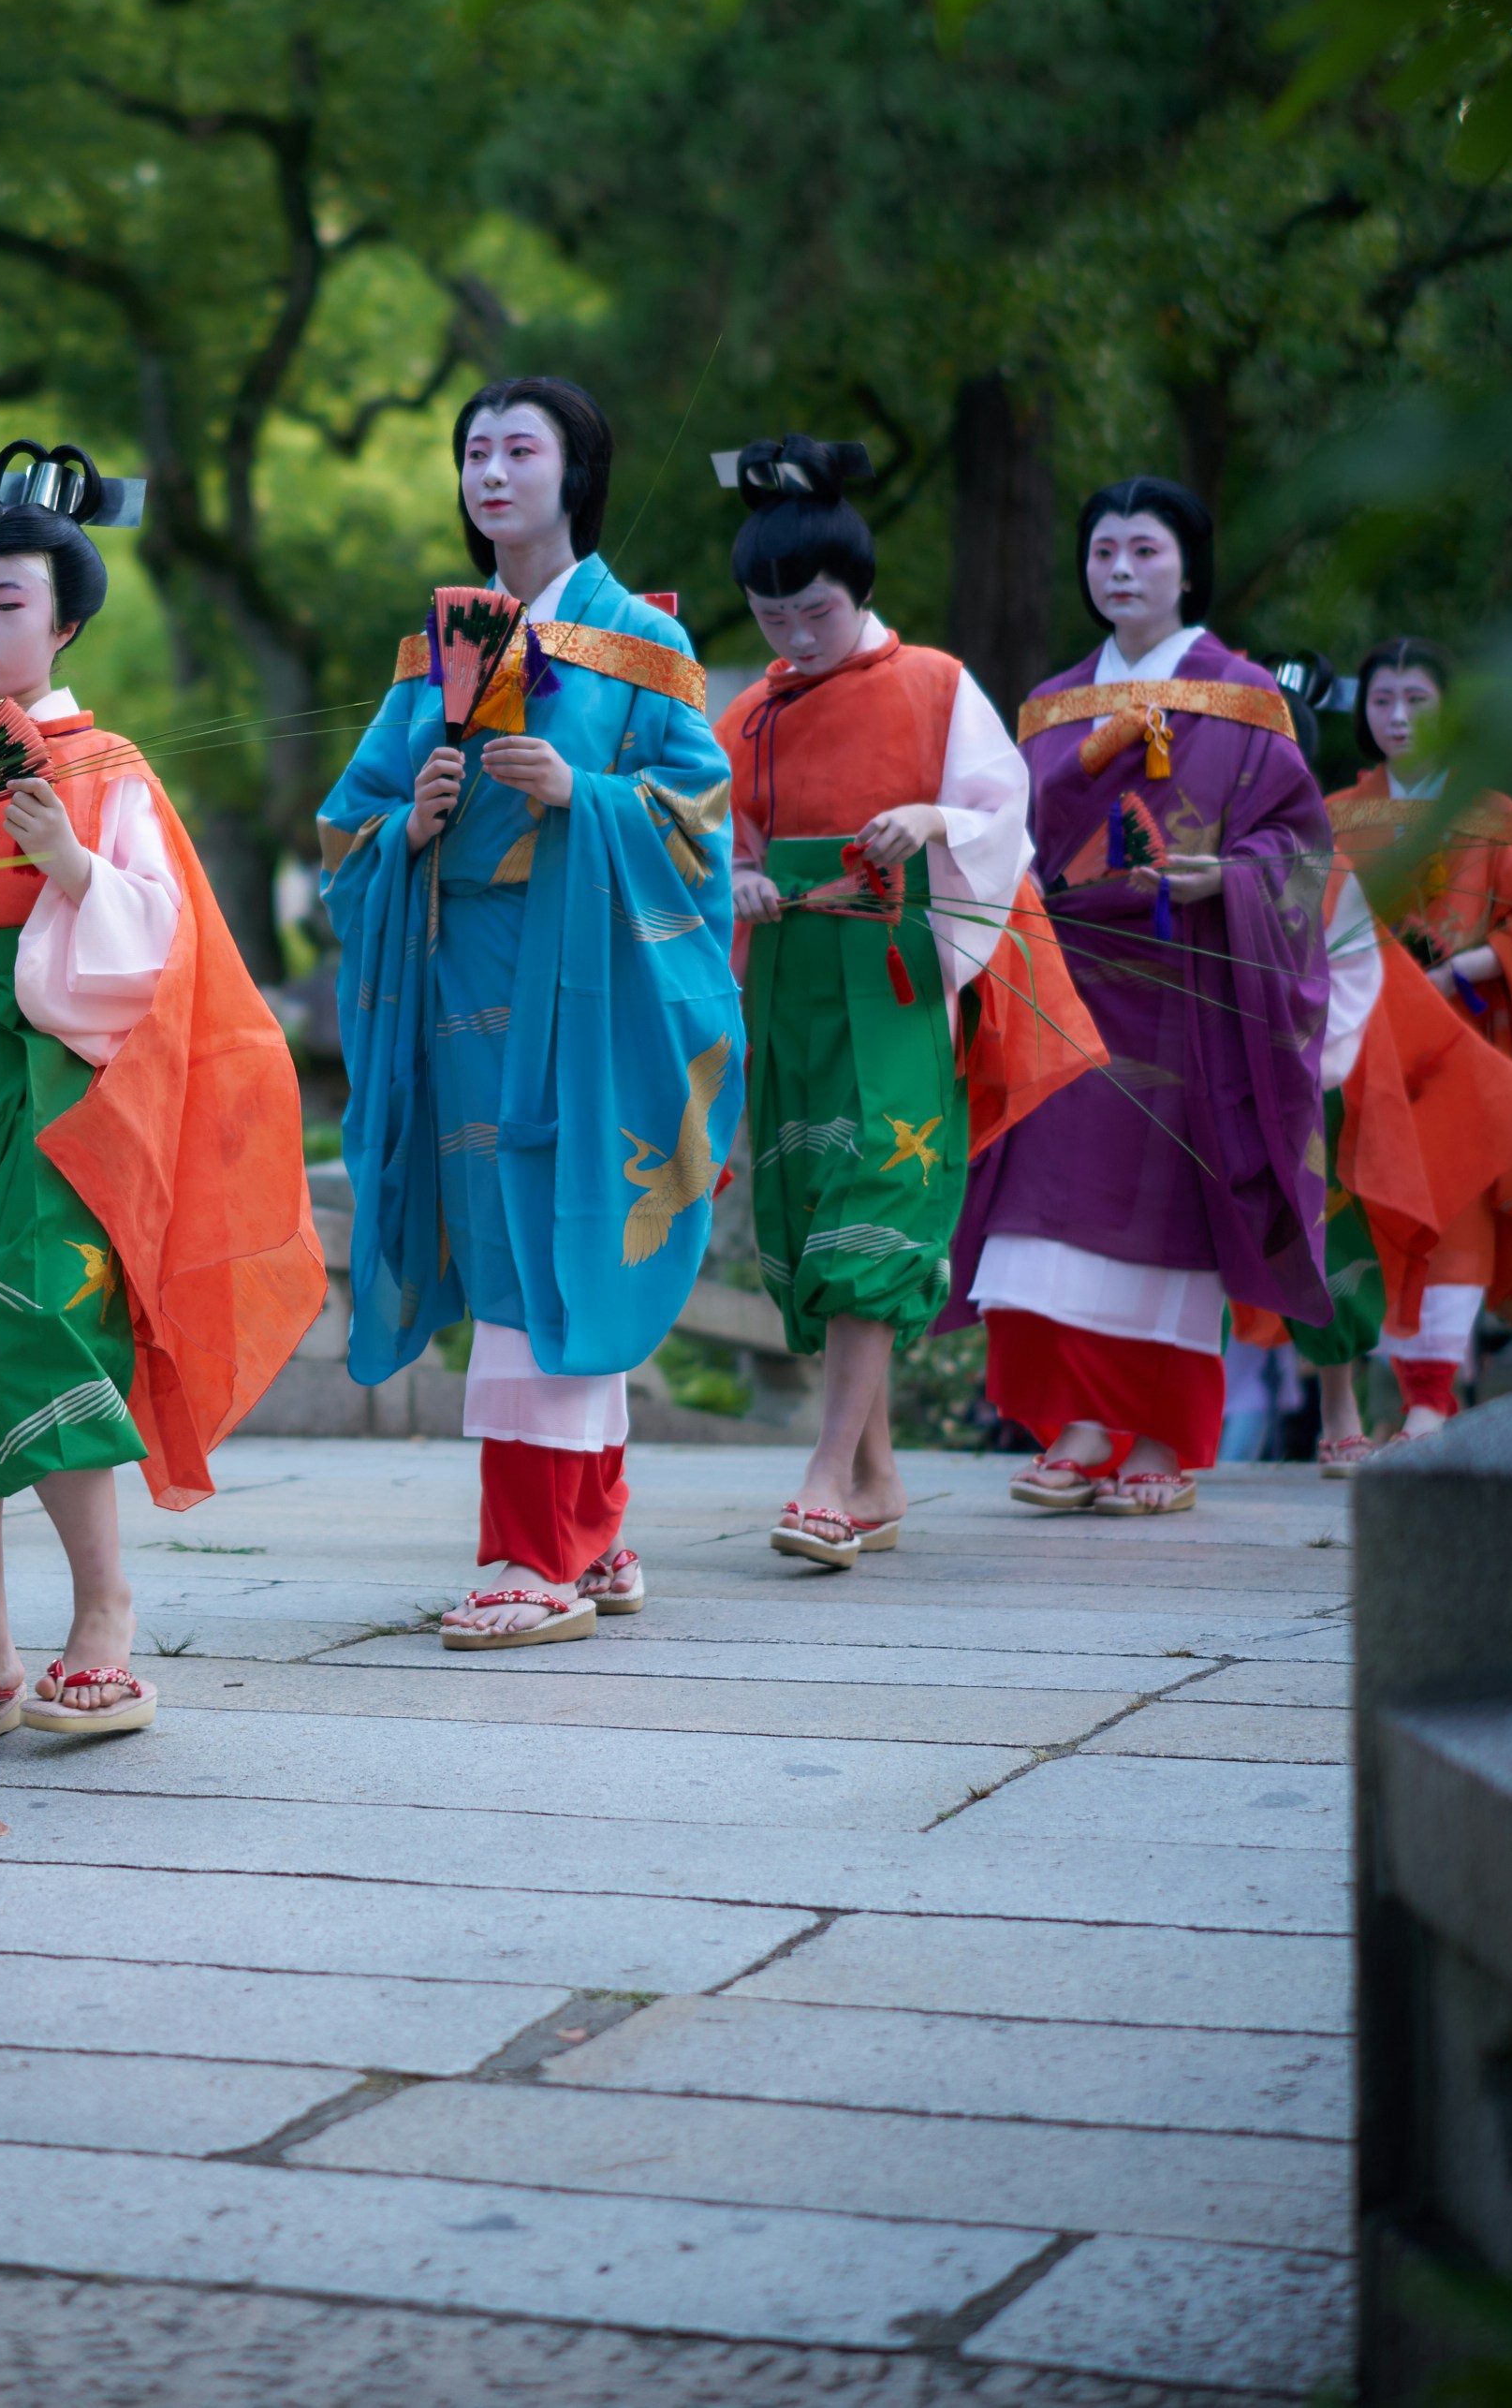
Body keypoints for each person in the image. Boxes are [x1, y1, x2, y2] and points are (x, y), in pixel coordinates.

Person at [0, 445, 323, 1748]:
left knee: (41, 1323)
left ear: (65, 619)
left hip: (51, 1088)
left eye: (6, 600)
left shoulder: (104, 761)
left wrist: (74, 863)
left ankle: (104, 1617)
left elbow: (166, 942)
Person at [317, 378, 741, 1648]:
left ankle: (530, 1554)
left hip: (585, 983)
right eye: (474, 452)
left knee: (563, 1229)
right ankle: (592, 1530)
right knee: (518, 1235)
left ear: (578, 471)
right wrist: (414, 824)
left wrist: (584, 792)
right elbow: (350, 828)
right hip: (463, 990)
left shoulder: (641, 643)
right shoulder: (437, 648)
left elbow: (699, 819)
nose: (491, 472)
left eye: (519, 448)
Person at [705, 440, 1092, 1567]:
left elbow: (997, 814)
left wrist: (928, 823)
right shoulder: (753, 715)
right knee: (811, 1199)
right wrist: (737, 876)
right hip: (788, 977)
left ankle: (827, 1475)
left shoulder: (931, 682)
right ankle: (873, 1473)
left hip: (893, 971)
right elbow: (709, 836)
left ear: (857, 591)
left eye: (812, 611)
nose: (790, 636)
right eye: (768, 615)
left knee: (875, 1187)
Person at [947, 479, 1334, 1521]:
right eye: (1103, 551)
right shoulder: (1047, 704)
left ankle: (1160, 1435)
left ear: (1188, 566)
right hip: (1065, 983)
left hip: (1188, 989)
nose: (1118, 570)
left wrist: (1232, 878)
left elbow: (1299, 851)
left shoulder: (1246, 697)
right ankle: (1077, 1424)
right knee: (1038, 1213)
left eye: (1143, 551)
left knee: (1168, 1215)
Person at [1288, 639, 1512, 1467]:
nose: (1400, 717)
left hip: (1455, 1043)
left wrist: (1460, 971)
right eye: (1383, 701)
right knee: (1358, 1212)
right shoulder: (1334, 816)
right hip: (1357, 1046)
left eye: (1418, 699)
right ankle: (1350, 1407)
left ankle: (1429, 1401)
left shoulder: (1489, 817)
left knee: (1451, 1208)